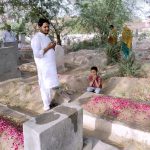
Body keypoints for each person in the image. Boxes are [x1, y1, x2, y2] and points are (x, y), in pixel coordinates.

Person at [31, 18, 59, 111]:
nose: (47, 28)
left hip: (50, 66)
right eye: (45, 27)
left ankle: (49, 103)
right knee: (44, 86)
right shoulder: (36, 38)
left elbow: (49, 50)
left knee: (49, 85)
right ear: (39, 27)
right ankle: (46, 106)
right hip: (43, 67)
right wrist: (48, 47)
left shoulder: (47, 37)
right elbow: (37, 54)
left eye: (48, 27)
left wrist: (52, 47)